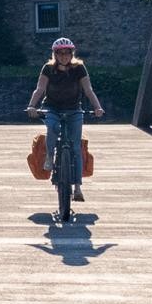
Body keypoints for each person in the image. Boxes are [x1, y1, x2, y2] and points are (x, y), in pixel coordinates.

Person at [26, 37, 105, 201]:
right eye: (60, 53)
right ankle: (49, 156)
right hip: (52, 108)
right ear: (55, 54)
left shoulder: (79, 68)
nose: (63, 56)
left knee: (75, 147)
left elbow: (88, 90)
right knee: (53, 128)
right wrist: (32, 106)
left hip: (74, 109)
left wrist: (97, 107)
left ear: (71, 54)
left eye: (67, 53)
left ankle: (77, 188)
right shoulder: (48, 69)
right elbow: (39, 89)